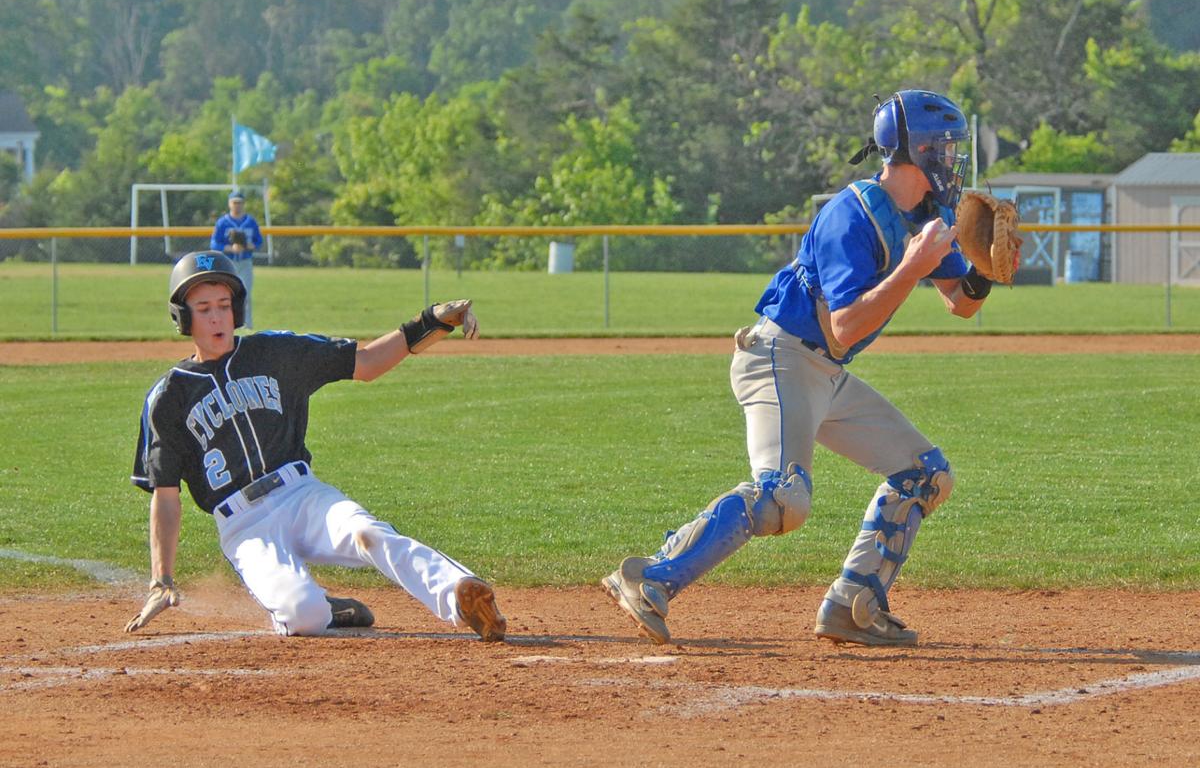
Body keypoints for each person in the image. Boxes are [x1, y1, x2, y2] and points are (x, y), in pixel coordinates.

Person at [603, 89, 1005, 647]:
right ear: (911, 149)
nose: (952, 159)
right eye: (942, 146)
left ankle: (854, 605)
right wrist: (913, 268)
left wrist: (984, 269)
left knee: (926, 476)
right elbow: (845, 325)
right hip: (780, 356)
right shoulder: (851, 214)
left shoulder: (927, 213)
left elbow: (962, 303)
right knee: (784, 498)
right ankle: (650, 576)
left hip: (827, 372)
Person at [125, 250, 506, 641]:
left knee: (367, 533)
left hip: (301, 495)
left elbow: (367, 362)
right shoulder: (168, 397)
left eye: (224, 305)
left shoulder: (276, 353)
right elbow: (166, 496)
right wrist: (161, 579)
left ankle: (460, 594)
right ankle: (326, 610)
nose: (217, 317)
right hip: (244, 525)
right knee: (302, 615)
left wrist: (433, 321)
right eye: (203, 308)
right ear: (183, 317)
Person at [210, 189, 263, 328]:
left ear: (244, 204)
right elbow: (214, 243)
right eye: (234, 202)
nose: (237, 205)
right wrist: (230, 248)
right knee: (226, 295)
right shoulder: (223, 222)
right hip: (228, 262)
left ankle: (247, 326)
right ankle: (228, 325)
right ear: (229, 204)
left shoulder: (250, 221)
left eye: (240, 203)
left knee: (246, 294)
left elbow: (259, 241)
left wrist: (252, 245)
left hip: (245, 262)